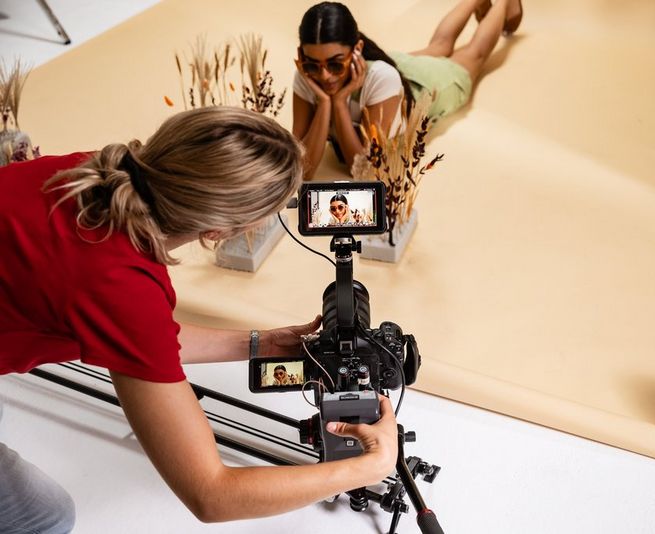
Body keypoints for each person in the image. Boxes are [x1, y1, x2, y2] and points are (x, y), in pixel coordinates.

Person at [0, 106, 398, 532]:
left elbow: (141, 338)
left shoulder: (95, 172)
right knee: (44, 517)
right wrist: (369, 467)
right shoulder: (118, 286)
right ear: (219, 231)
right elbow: (212, 495)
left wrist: (261, 343)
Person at [292, 0, 523, 179]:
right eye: (313, 65)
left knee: (475, 54)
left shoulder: (381, 78)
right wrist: (325, 103)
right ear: (303, 56)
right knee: (439, 46)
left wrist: (340, 103)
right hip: (393, 69)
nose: (324, 76)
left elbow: (365, 169)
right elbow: (303, 170)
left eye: (335, 63)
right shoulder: (307, 75)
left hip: (423, 87)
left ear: (357, 50)